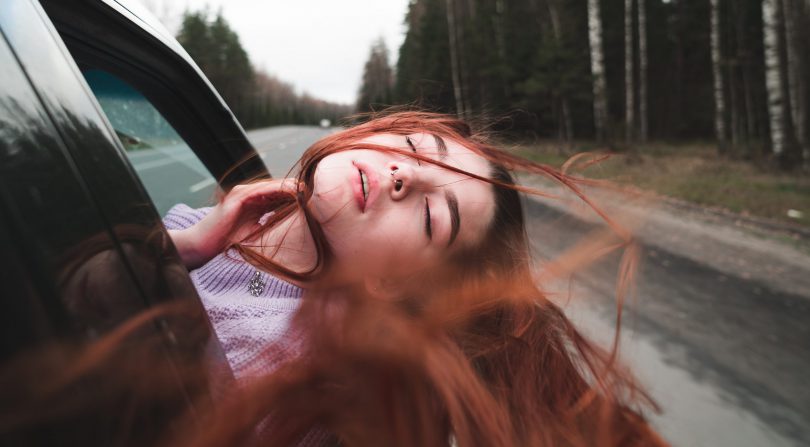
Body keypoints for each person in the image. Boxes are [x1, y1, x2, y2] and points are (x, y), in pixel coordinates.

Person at [162, 111, 666, 446]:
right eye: (413, 146)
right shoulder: (219, 227)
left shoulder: (296, 370)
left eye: (431, 218)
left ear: (398, 286)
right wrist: (187, 247)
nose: (405, 174)